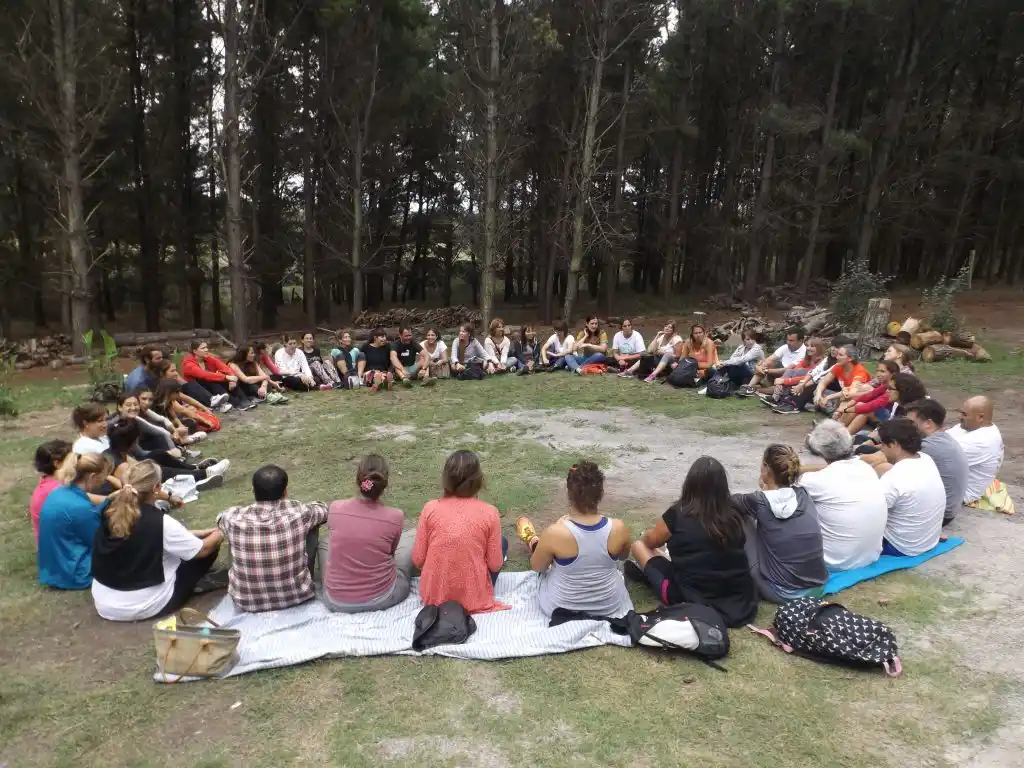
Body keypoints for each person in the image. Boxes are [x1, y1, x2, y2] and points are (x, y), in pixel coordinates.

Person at [626, 456, 756, 627]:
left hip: (690, 599)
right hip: (740, 603)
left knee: (638, 546)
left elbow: (650, 542)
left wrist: (645, 537)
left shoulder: (677, 514)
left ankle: (651, 572)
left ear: (690, 484)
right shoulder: (734, 513)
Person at [90, 460, 224, 621]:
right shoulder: (161, 522)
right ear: (156, 487)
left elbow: (140, 537)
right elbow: (203, 550)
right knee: (209, 548)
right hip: (145, 605)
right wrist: (223, 529)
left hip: (105, 603)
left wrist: (193, 533)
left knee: (185, 545)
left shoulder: (110, 510)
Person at [515, 461, 632, 617]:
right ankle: (536, 542)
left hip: (561, 607)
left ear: (569, 493)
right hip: (608, 605)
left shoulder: (555, 532)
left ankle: (534, 541)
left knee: (549, 556)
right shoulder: (619, 528)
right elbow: (623, 556)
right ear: (601, 493)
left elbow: (538, 567)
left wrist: (558, 531)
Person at [217, 465, 329, 612]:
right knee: (312, 525)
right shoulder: (301, 513)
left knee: (232, 535)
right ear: (285, 491)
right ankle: (304, 577)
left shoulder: (233, 518)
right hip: (298, 595)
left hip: (246, 602)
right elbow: (324, 510)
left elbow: (220, 519)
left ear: (253, 491)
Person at [412, 450, 509, 613]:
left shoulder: (430, 509)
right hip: (473, 599)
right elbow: (495, 565)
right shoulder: (490, 513)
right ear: (478, 480)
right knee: (502, 542)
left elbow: (418, 560)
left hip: (434, 598)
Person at [732, 445, 827, 602]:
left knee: (743, 517)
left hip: (783, 592)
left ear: (767, 470)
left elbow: (729, 502)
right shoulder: (803, 494)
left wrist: (763, 491)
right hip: (818, 588)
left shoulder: (758, 500)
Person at [320, 455, 414, 613]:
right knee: (410, 541)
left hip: (335, 600)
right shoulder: (395, 516)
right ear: (385, 484)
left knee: (325, 543)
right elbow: (391, 553)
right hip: (382, 597)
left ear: (358, 480)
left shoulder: (335, 508)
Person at [797, 420, 887, 570]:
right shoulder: (865, 468)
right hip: (870, 556)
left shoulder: (814, 481)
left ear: (819, 451)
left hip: (835, 562)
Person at [37, 453, 112, 589]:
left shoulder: (58, 492)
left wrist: (109, 501)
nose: (104, 481)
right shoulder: (81, 508)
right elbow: (101, 543)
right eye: (103, 477)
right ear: (92, 477)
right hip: (76, 573)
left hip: (54, 569)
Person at [873, 419, 945, 557]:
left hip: (902, 547)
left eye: (883, 444)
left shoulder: (894, 477)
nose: (881, 448)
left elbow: (868, 515)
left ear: (894, 444)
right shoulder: (925, 458)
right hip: (928, 541)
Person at [105, 418, 229, 489]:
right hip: (139, 487)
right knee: (155, 471)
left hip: (138, 478)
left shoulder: (118, 451)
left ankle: (194, 469)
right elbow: (134, 485)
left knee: (157, 455)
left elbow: (138, 464)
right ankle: (203, 475)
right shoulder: (120, 465)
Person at [902, 399, 968, 526]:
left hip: (940, 516)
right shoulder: (942, 438)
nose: (906, 427)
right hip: (947, 510)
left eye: (911, 423)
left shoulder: (929, 446)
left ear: (928, 423)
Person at [947, 396, 1006, 508]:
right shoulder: (969, 426)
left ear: (980, 417)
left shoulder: (982, 441)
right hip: (953, 482)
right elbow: (942, 437)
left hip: (960, 494)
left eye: (964, 414)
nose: (959, 416)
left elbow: (938, 458)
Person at [767, 336, 851, 414]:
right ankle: (784, 400)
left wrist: (800, 384)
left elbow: (820, 377)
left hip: (835, 391)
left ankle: (794, 405)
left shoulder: (839, 363)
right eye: (833, 346)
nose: (833, 349)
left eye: (837, 347)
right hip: (824, 387)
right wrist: (801, 383)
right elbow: (814, 372)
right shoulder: (828, 359)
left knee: (812, 384)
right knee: (799, 377)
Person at [832, 359, 900, 434]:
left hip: (891, 419)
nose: (878, 374)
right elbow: (870, 395)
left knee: (864, 409)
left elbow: (873, 405)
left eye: (882, 371)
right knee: (857, 404)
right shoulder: (885, 385)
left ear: (893, 374)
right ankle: (837, 427)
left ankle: (845, 434)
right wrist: (852, 402)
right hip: (880, 413)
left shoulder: (893, 389)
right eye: (877, 371)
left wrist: (845, 410)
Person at [183, 340, 255, 410]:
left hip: (211, 388)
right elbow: (204, 375)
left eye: (206, 347)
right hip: (199, 392)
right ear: (195, 351)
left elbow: (225, 368)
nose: (206, 350)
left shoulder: (208, 358)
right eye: (203, 348)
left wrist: (231, 378)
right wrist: (226, 377)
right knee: (213, 380)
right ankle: (236, 403)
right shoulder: (188, 363)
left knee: (225, 379)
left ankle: (244, 400)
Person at [737, 328, 808, 396]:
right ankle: (749, 387)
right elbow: (770, 358)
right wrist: (760, 366)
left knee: (781, 380)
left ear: (801, 341)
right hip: (778, 373)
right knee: (767, 363)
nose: (788, 342)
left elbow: (788, 370)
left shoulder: (804, 353)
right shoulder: (785, 347)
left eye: (791, 340)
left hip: (791, 377)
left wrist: (767, 371)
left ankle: (757, 389)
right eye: (787, 340)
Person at [30, 440, 73, 543]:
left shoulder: (46, 483)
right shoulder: (59, 490)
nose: (76, 462)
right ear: (57, 464)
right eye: (72, 460)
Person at [809, 344, 871, 414]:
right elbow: (823, 382)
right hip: (843, 395)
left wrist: (828, 397)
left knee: (844, 398)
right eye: (837, 354)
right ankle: (832, 411)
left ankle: (832, 412)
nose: (837, 357)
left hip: (856, 398)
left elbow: (851, 392)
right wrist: (818, 395)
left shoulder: (860, 372)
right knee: (818, 391)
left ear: (850, 358)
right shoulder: (838, 366)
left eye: (840, 355)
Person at [150, 359, 224, 413]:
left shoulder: (172, 382)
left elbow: (185, 397)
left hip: (182, 407)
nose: (176, 373)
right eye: (172, 371)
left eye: (176, 370)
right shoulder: (163, 387)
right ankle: (212, 401)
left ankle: (213, 401)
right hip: (174, 415)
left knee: (191, 384)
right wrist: (188, 408)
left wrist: (204, 408)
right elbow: (176, 406)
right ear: (162, 373)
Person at [153, 378, 222, 434]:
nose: (178, 395)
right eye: (177, 392)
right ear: (169, 393)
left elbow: (174, 418)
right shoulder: (155, 402)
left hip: (170, 424)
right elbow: (183, 411)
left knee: (190, 422)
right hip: (160, 427)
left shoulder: (169, 402)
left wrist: (180, 425)